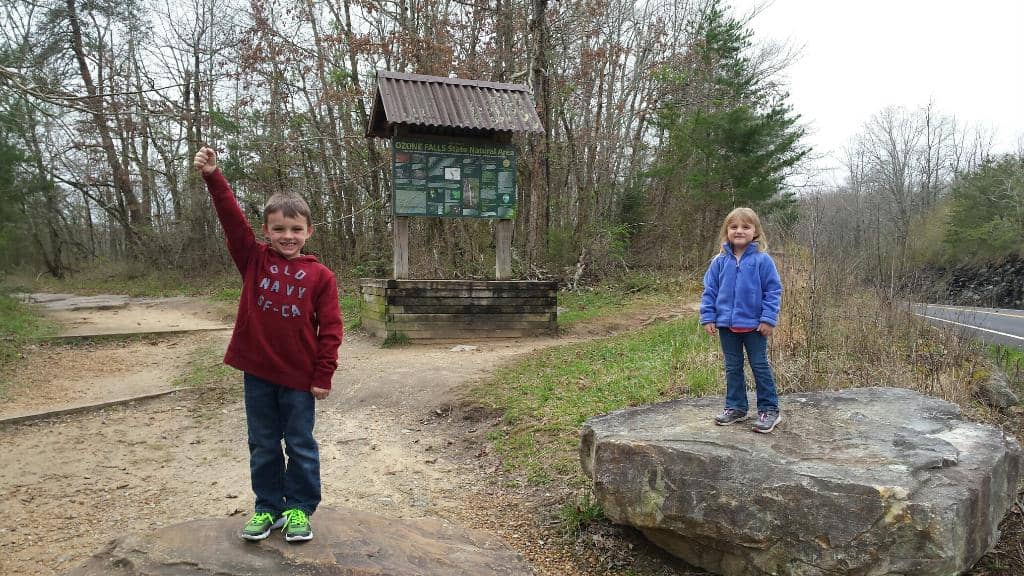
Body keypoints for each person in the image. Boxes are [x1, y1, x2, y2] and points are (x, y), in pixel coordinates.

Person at [193, 146, 343, 542]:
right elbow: (231, 220)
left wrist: (322, 373)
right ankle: (267, 508)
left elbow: (331, 328)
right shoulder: (254, 260)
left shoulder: (321, 277)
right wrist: (213, 177)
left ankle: (298, 509)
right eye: (279, 229)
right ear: (266, 231)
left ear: (309, 232)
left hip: (298, 379)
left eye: (295, 229)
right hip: (258, 374)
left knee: (300, 445)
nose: (287, 236)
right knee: (262, 445)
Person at [700, 207, 783, 433]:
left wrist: (768, 319)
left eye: (745, 227)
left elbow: (773, 291)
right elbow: (709, 291)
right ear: (726, 231)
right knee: (732, 366)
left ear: (755, 231)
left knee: (759, 365)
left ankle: (769, 409)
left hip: (755, 326)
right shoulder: (719, 261)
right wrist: (708, 317)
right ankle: (736, 406)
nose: (739, 231)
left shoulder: (762, 261)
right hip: (726, 325)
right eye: (734, 226)